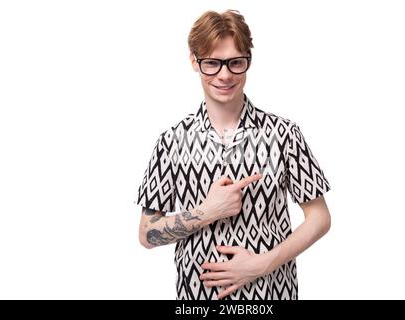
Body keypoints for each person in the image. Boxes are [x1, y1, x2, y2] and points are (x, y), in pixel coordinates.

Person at [135, 9, 331, 300]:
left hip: (271, 296)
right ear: (194, 62)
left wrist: (261, 264)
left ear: (248, 62)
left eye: (235, 63)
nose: (224, 75)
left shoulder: (284, 134)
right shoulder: (171, 141)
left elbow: (319, 218)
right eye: (212, 63)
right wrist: (207, 212)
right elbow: (147, 234)